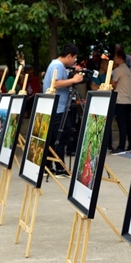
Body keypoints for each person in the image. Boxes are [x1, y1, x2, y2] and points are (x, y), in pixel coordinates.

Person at [44, 44, 84, 176]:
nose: (74, 61)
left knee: (53, 137)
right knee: (60, 137)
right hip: (58, 108)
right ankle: (60, 168)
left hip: (56, 107)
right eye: (74, 58)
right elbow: (54, 83)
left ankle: (47, 166)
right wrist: (73, 79)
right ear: (69, 56)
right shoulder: (58, 66)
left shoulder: (56, 64)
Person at [110, 47, 131, 154]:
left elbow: (113, 84)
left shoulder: (118, 70)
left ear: (119, 58)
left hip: (120, 100)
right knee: (128, 123)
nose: (114, 59)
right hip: (128, 99)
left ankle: (121, 146)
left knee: (122, 124)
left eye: (115, 57)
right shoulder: (128, 69)